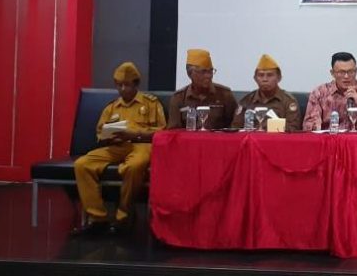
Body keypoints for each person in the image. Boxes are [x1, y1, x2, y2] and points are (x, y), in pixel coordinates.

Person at [72, 62, 165, 236]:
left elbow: (161, 132)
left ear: (136, 84)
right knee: (82, 164)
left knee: (134, 166)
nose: (123, 89)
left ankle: (124, 216)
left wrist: (135, 134)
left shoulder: (151, 103)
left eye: (127, 85)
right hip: (116, 146)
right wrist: (108, 137)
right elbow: (100, 132)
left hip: (142, 146)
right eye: (119, 85)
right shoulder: (112, 107)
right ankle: (97, 218)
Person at [303, 52, 357, 130]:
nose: (346, 76)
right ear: (332, 73)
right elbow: (308, 126)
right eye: (341, 72)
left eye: (350, 72)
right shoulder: (320, 93)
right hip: (331, 138)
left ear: (356, 71)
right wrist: (315, 125)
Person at [166, 49, 238, 130]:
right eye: (203, 72)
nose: (208, 76)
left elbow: (235, 127)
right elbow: (173, 131)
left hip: (217, 138)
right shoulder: (178, 98)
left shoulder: (225, 95)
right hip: (189, 138)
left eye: (210, 71)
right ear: (190, 74)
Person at [230, 54, 301, 131]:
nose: (265, 79)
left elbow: (293, 129)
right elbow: (235, 129)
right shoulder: (246, 101)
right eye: (261, 75)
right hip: (251, 138)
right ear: (255, 78)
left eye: (270, 75)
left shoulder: (288, 101)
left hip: (277, 138)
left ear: (279, 78)